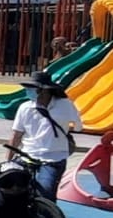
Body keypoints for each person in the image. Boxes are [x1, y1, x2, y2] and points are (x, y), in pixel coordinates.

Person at [9, 69, 81, 201]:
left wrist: (62, 128)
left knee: (45, 192)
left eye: (32, 88)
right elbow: (16, 135)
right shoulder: (25, 108)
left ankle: (47, 217)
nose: (28, 91)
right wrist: (8, 161)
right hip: (27, 155)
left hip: (53, 157)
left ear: (44, 90)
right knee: (7, 184)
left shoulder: (65, 105)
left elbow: (78, 126)